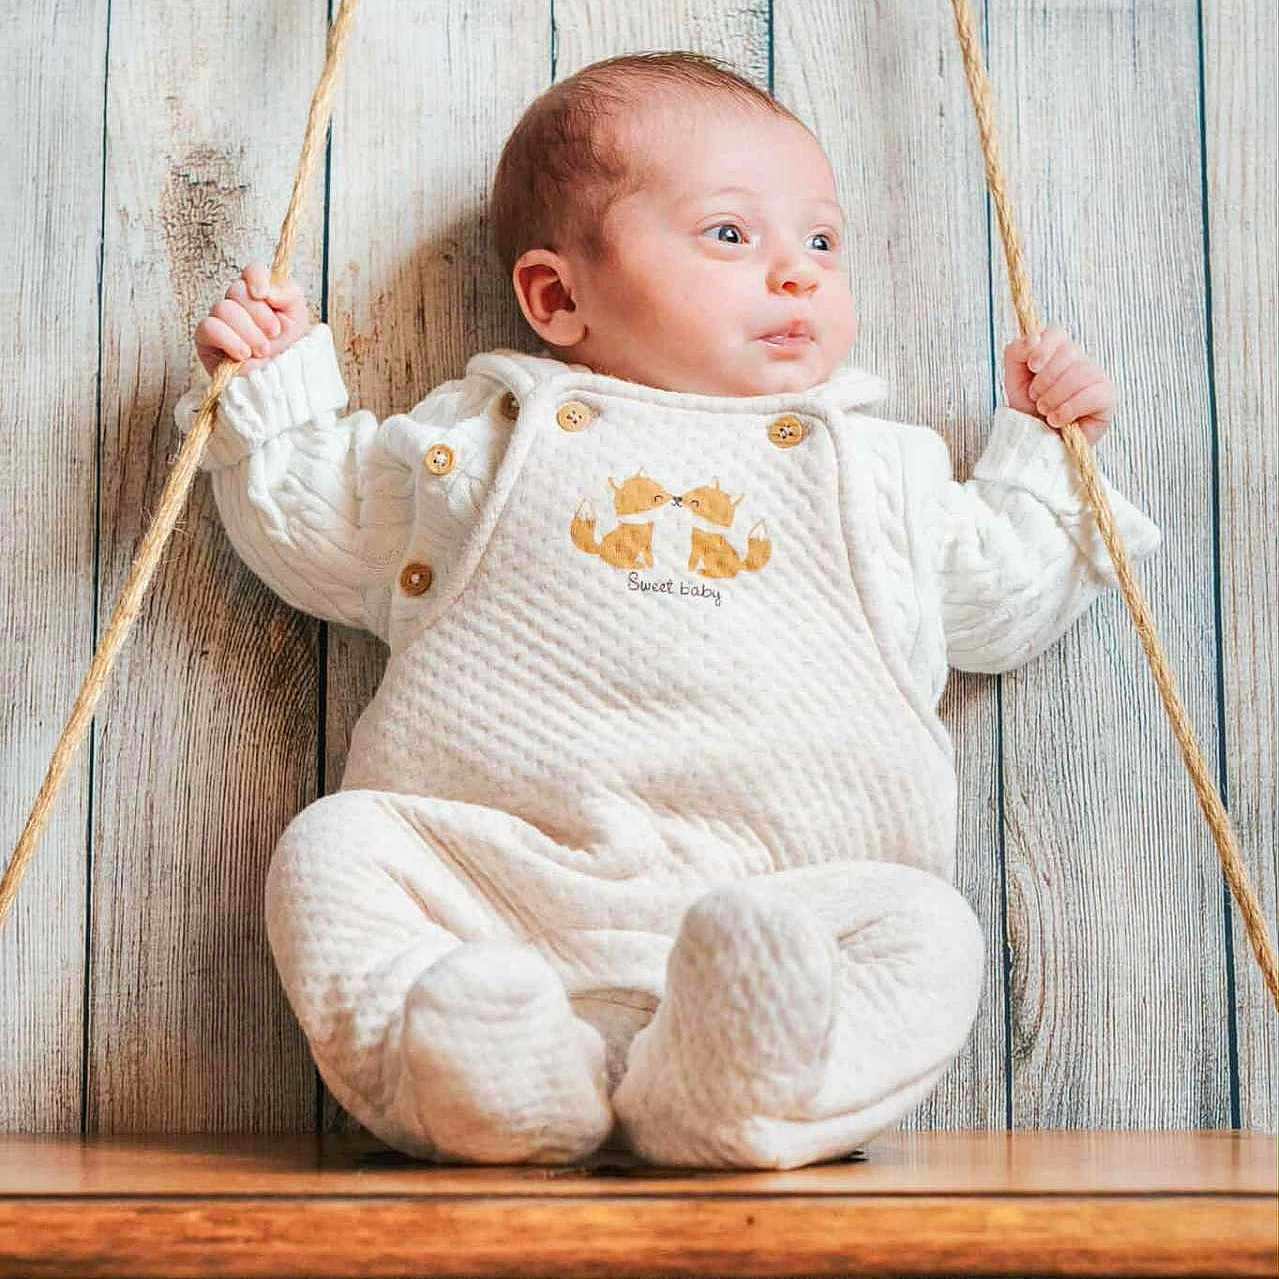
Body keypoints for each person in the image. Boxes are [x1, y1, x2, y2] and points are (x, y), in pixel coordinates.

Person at [173, 51, 1161, 1170]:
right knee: (338, 848)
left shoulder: (879, 474)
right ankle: (478, 1069)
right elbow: (319, 527)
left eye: (822, 242)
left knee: (926, 928)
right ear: (556, 296)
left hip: (782, 904)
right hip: (500, 885)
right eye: (731, 235)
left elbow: (1002, 599)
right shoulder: (478, 444)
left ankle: (740, 1084)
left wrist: (1041, 451)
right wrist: (272, 384)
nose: (796, 274)